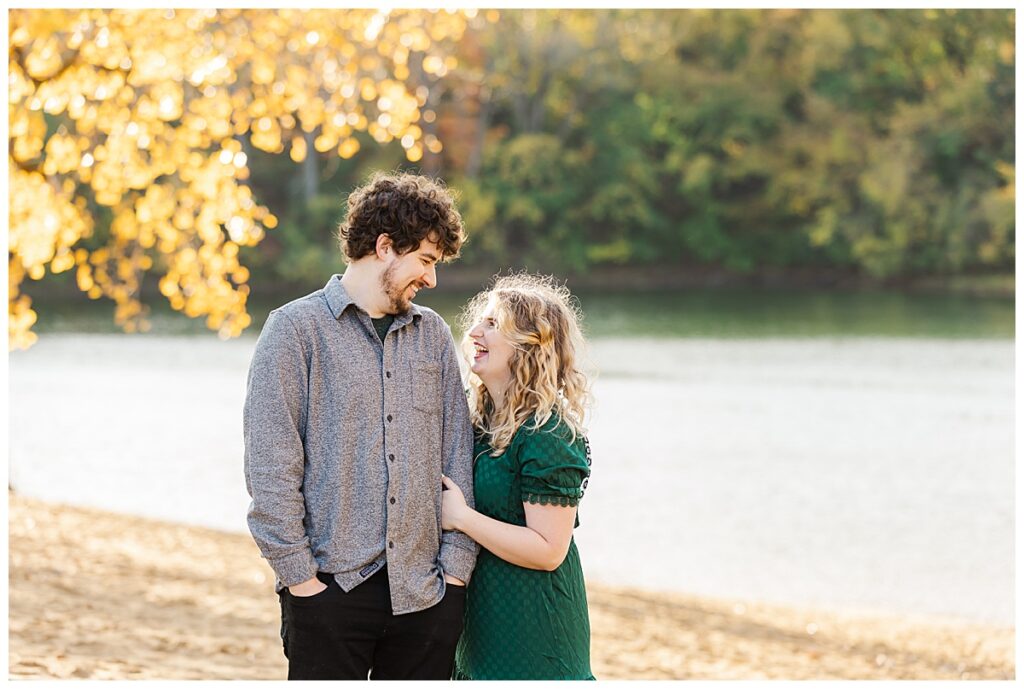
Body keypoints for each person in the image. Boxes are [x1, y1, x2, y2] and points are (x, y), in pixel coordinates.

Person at [243, 172, 479, 680]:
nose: (432, 280)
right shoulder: (293, 330)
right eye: (426, 261)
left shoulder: (433, 335)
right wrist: (301, 582)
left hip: (426, 597)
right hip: (328, 596)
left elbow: (459, 456)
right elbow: (271, 465)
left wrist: (455, 578)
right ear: (386, 246)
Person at [440, 273, 595, 680]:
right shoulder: (477, 422)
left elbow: (548, 550)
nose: (473, 332)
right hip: (481, 623)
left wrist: (460, 518)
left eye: (492, 324)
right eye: (480, 322)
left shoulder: (548, 434)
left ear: (530, 344)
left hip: (534, 627)